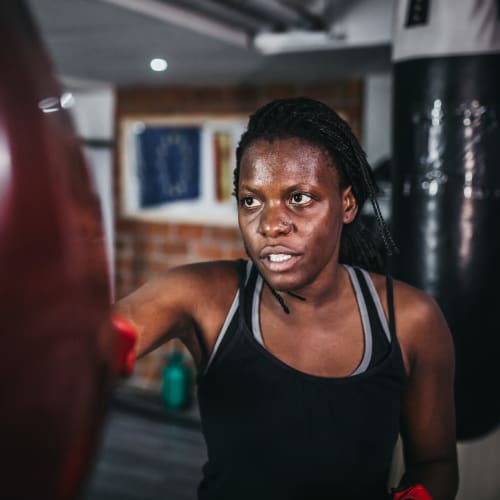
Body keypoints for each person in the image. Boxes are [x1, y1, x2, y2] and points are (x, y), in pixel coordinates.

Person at [113, 97, 458, 500]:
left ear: (346, 205)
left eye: (299, 198)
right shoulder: (205, 297)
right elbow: (94, 341)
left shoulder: (410, 319)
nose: (271, 224)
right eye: (251, 200)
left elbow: (435, 463)